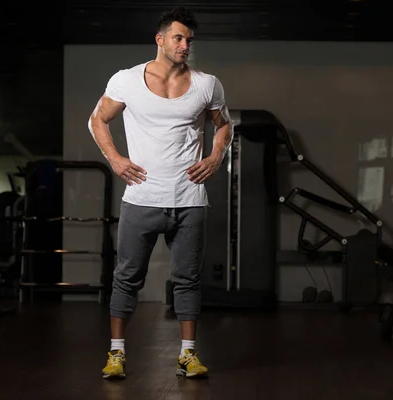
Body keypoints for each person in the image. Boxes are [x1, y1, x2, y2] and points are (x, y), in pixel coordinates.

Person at [87, 6, 233, 380]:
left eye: (189, 40)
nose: (185, 46)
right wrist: (116, 159)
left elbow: (224, 126)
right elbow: (98, 119)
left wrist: (216, 155)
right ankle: (116, 354)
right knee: (126, 277)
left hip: (189, 198)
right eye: (178, 38)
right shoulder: (127, 81)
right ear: (161, 39)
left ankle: (188, 354)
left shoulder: (206, 83)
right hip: (141, 198)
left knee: (187, 279)